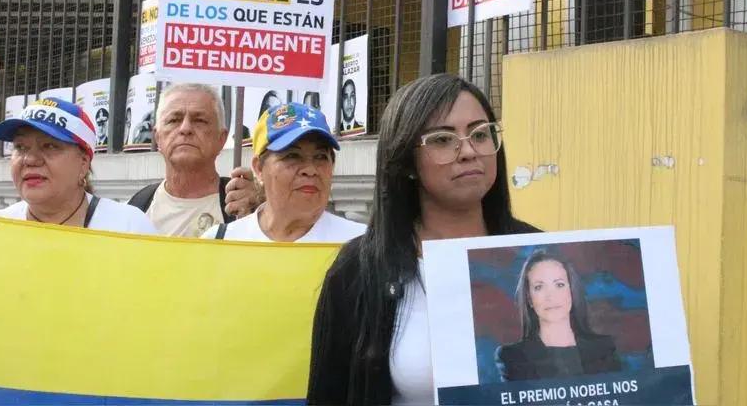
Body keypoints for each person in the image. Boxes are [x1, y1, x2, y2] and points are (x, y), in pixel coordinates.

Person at [307, 74, 539, 405]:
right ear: (406, 162)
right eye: (443, 139)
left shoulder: (539, 253)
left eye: (480, 134)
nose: (469, 151)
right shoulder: (359, 270)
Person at [0, 98, 157, 234]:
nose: (30, 160)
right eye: (20, 147)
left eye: (49, 146)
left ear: (83, 164)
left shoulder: (128, 228)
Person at [205, 102, 365, 242]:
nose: (310, 170)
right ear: (259, 168)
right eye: (292, 156)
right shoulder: (220, 243)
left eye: (320, 157)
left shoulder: (361, 245)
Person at [127, 83, 259, 237]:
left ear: (221, 138)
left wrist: (259, 213)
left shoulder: (242, 203)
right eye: (174, 120)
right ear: (157, 137)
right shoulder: (137, 208)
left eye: (200, 120)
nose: (185, 128)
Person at [495, 249, 622, 381]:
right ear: (529, 298)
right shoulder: (512, 358)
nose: (551, 296)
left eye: (559, 285)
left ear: (571, 291)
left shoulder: (605, 348)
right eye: (539, 287)